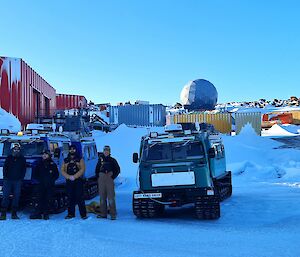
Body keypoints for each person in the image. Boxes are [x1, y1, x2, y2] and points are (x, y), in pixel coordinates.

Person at [30, 150, 59, 220]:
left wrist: (51, 181)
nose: (44, 155)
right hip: (41, 185)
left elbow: (56, 174)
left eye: (46, 154)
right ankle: (38, 214)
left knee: (47, 199)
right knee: (39, 199)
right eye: (43, 154)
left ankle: (46, 214)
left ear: (49, 155)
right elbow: (35, 174)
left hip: (49, 185)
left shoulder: (52, 164)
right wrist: (39, 180)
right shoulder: (39, 164)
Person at [0, 143, 27, 220]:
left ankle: (14, 214)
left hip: (17, 181)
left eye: (17, 149)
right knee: (5, 197)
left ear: (19, 150)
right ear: (12, 150)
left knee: (16, 197)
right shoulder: (9, 158)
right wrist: (5, 177)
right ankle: (3, 214)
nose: (16, 151)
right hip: (8, 180)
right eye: (15, 149)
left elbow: (24, 169)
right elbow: (5, 168)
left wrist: (21, 177)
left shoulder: (22, 159)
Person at [61, 144, 87, 219]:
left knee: (80, 198)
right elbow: (62, 170)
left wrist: (75, 176)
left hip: (78, 181)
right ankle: (71, 214)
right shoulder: (66, 160)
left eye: (73, 149)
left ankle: (83, 214)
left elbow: (82, 169)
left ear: (75, 150)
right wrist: (68, 177)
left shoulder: (80, 159)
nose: (72, 150)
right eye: (71, 149)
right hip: (69, 181)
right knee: (70, 198)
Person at [95, 145, 120, 220]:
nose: (106, 151)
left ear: (109, 152)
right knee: (102, 197)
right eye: (105, 150)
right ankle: (103, 214)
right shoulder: (100, 160)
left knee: (111, 197)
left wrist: (112, 177)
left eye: (107, 150)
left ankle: (113, 214)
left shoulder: (112, 160)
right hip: (101, 179)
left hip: (109, 179)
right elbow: (96, 170)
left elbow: (118, 170)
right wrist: (98, 177)